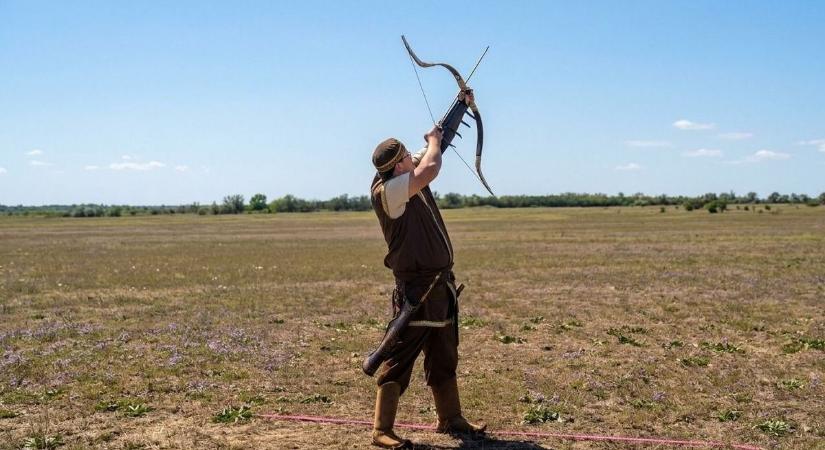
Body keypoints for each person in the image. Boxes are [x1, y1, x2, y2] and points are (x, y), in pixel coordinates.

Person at [368, 121, 486, 448]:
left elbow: (431, 153)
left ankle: (450, 418)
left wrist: (459, 106)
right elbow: (430, 165)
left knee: (444, 353)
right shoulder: (388, 190)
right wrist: (433, 143)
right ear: (397, 166)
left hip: (439, 286)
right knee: (399, 358)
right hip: (416, 291)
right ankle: (381, 430)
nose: (412, 157)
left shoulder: (402, 175)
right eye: (407, 156)